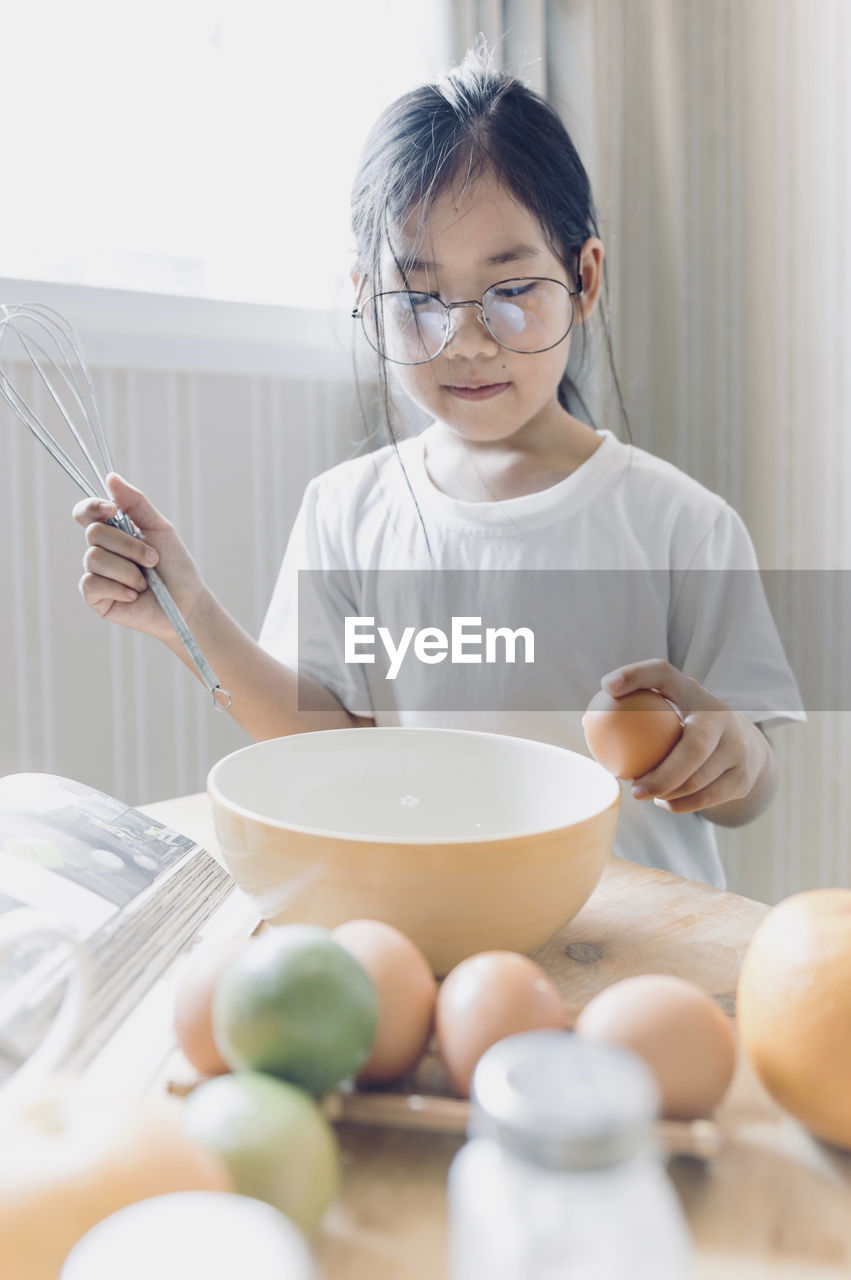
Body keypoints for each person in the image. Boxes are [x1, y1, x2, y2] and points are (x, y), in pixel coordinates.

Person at [72, 44, 804, 889]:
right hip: (437, 925)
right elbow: (332, 745)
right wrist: (187, 614)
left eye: (512, 288)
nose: (465, 338)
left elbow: (748, 790)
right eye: (418, 301)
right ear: (364, 296)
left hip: (635, 950)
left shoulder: (680, 524)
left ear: (584, 279)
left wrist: (730, 754)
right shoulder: (346, 509)